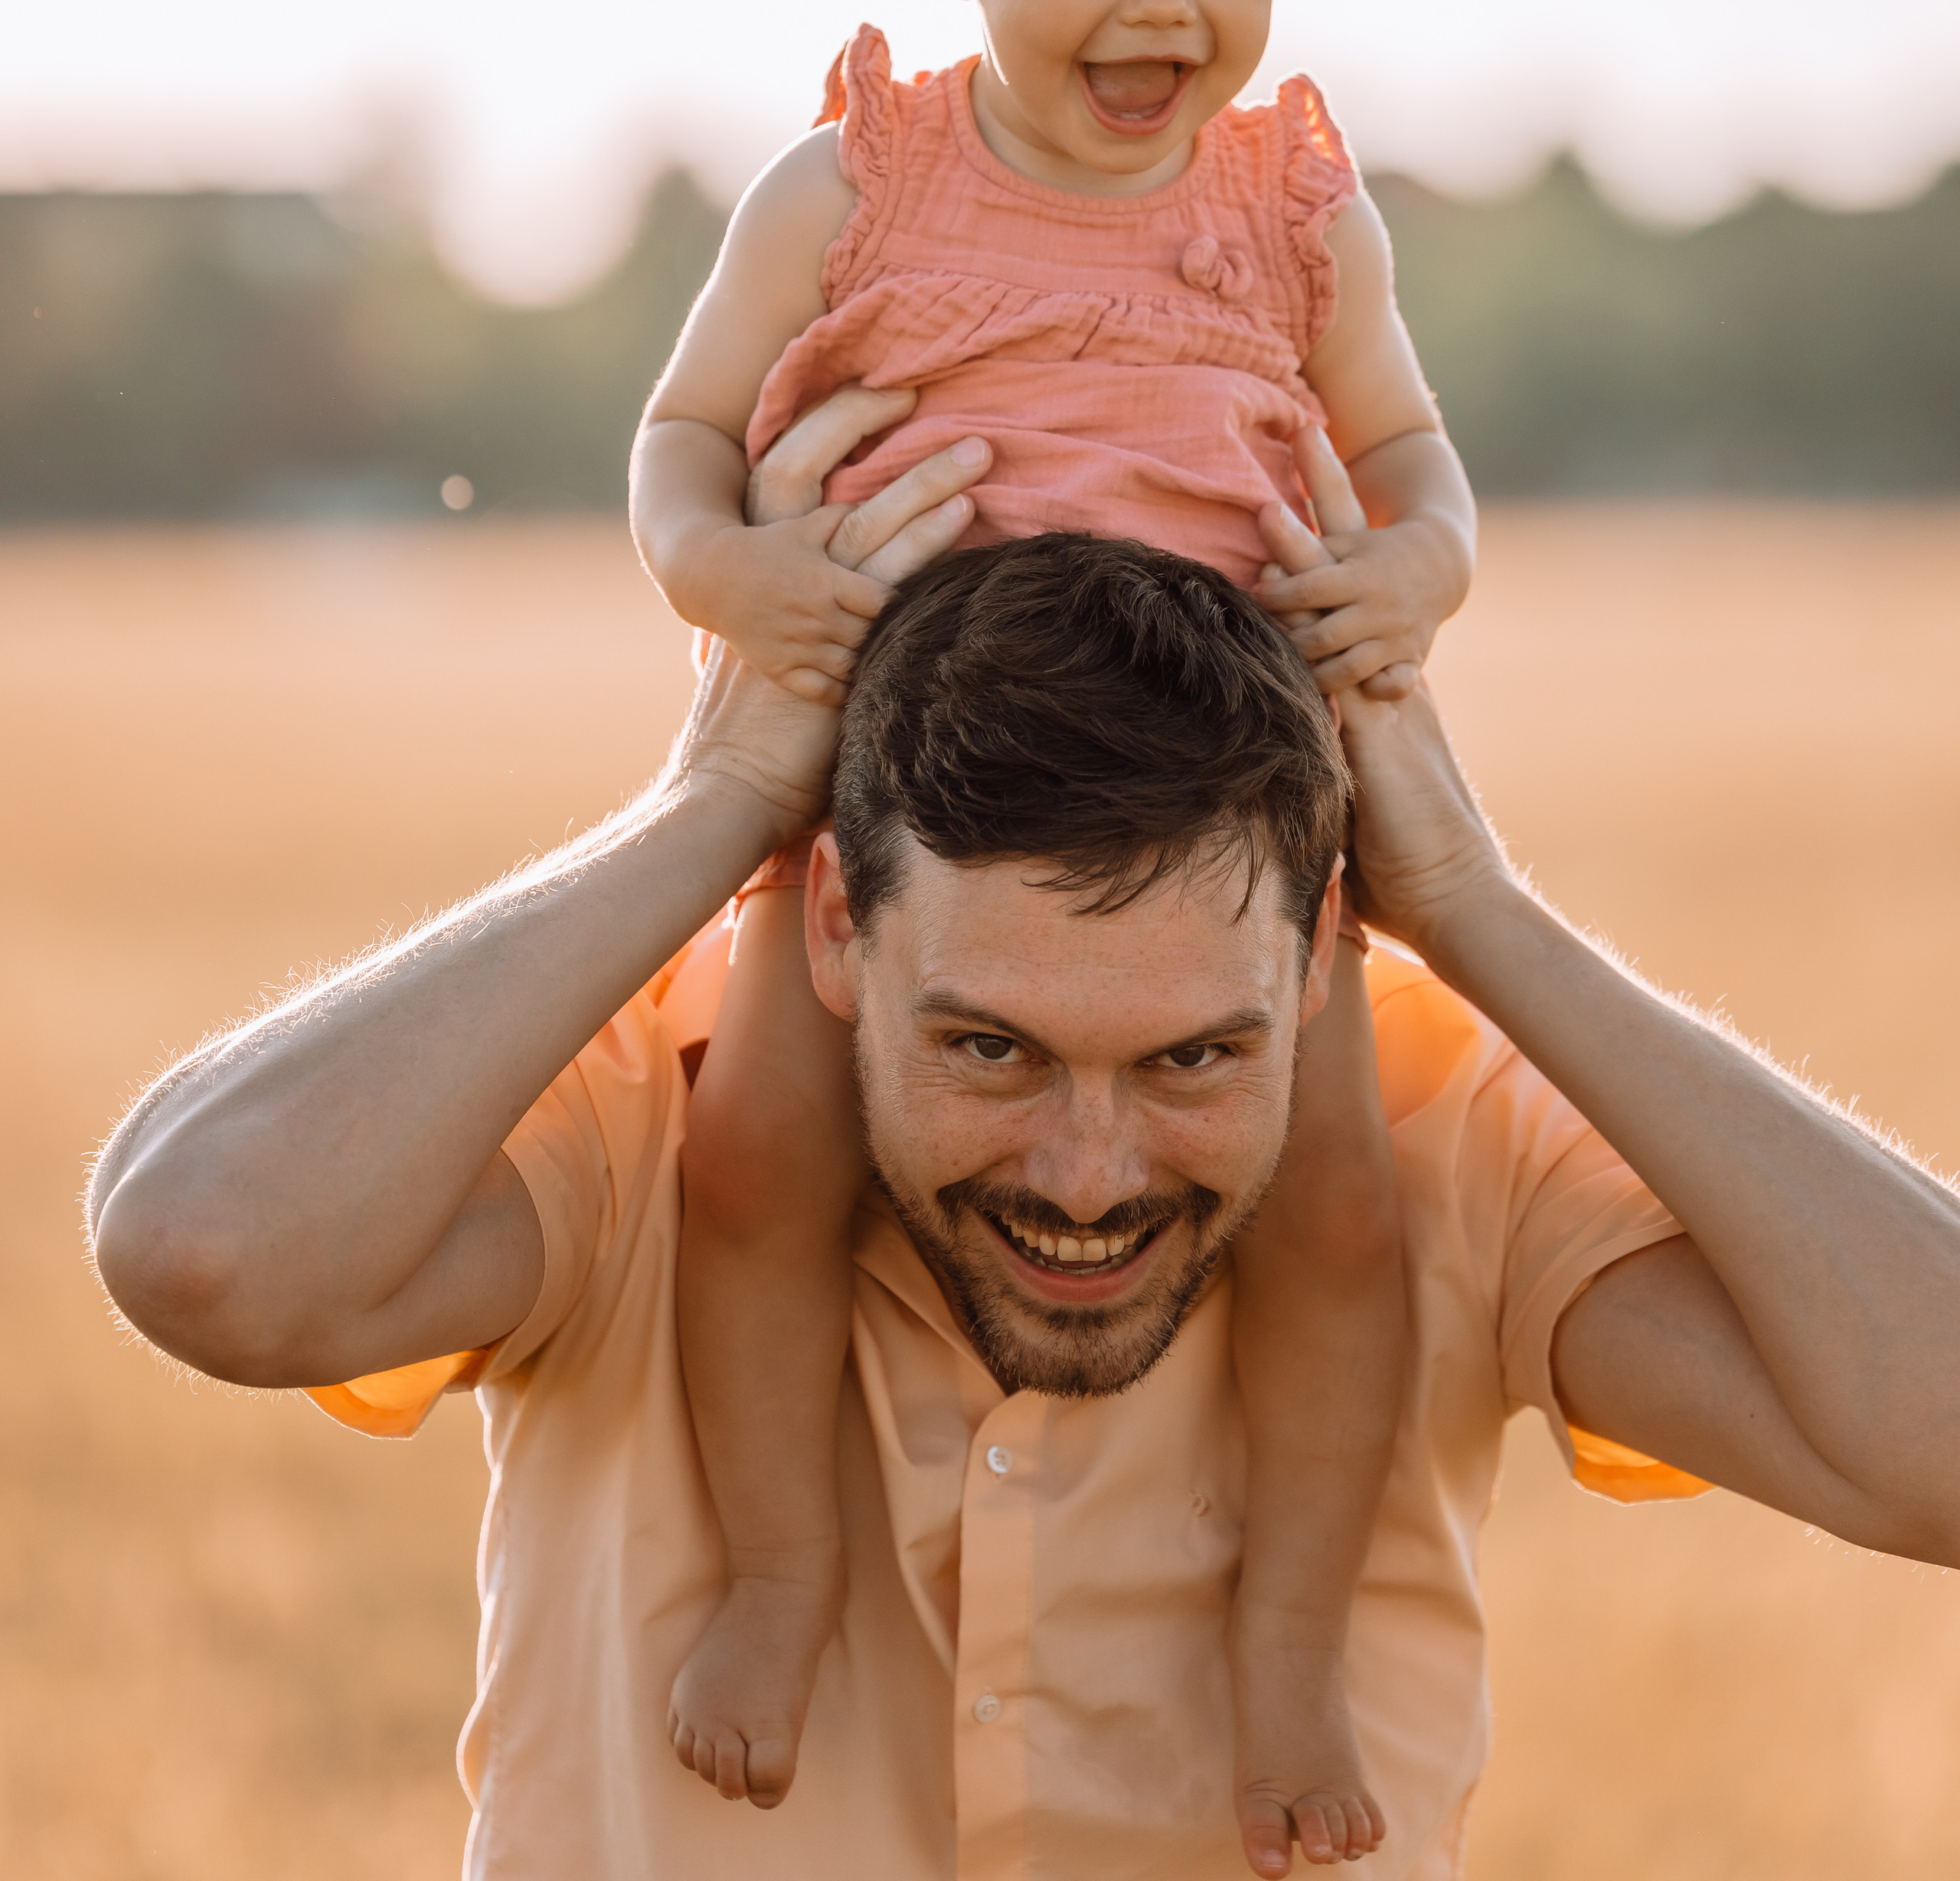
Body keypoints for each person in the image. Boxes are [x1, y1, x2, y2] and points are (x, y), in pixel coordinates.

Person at [87, 438, 1960, 1881]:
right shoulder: (634, 1121)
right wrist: (710, 804)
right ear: (832, 926)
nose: (1085, 1173)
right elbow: (204, 1251)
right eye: (987, 1046)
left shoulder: (1437, 1161)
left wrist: (1475, 909)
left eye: (1193, 1057)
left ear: (1316, 957)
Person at [630, 0, 1477, 1866]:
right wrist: (738, 583)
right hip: (895, 796)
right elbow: (683, 442)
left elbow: (1415, 464)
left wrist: (1414, 574)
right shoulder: (853, 186)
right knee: (755, 1164)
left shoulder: (1299, 213)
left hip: (1229, 808)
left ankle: (1287, 1659)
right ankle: (782, 1583)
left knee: (1333, 1221)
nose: (1162, 6)